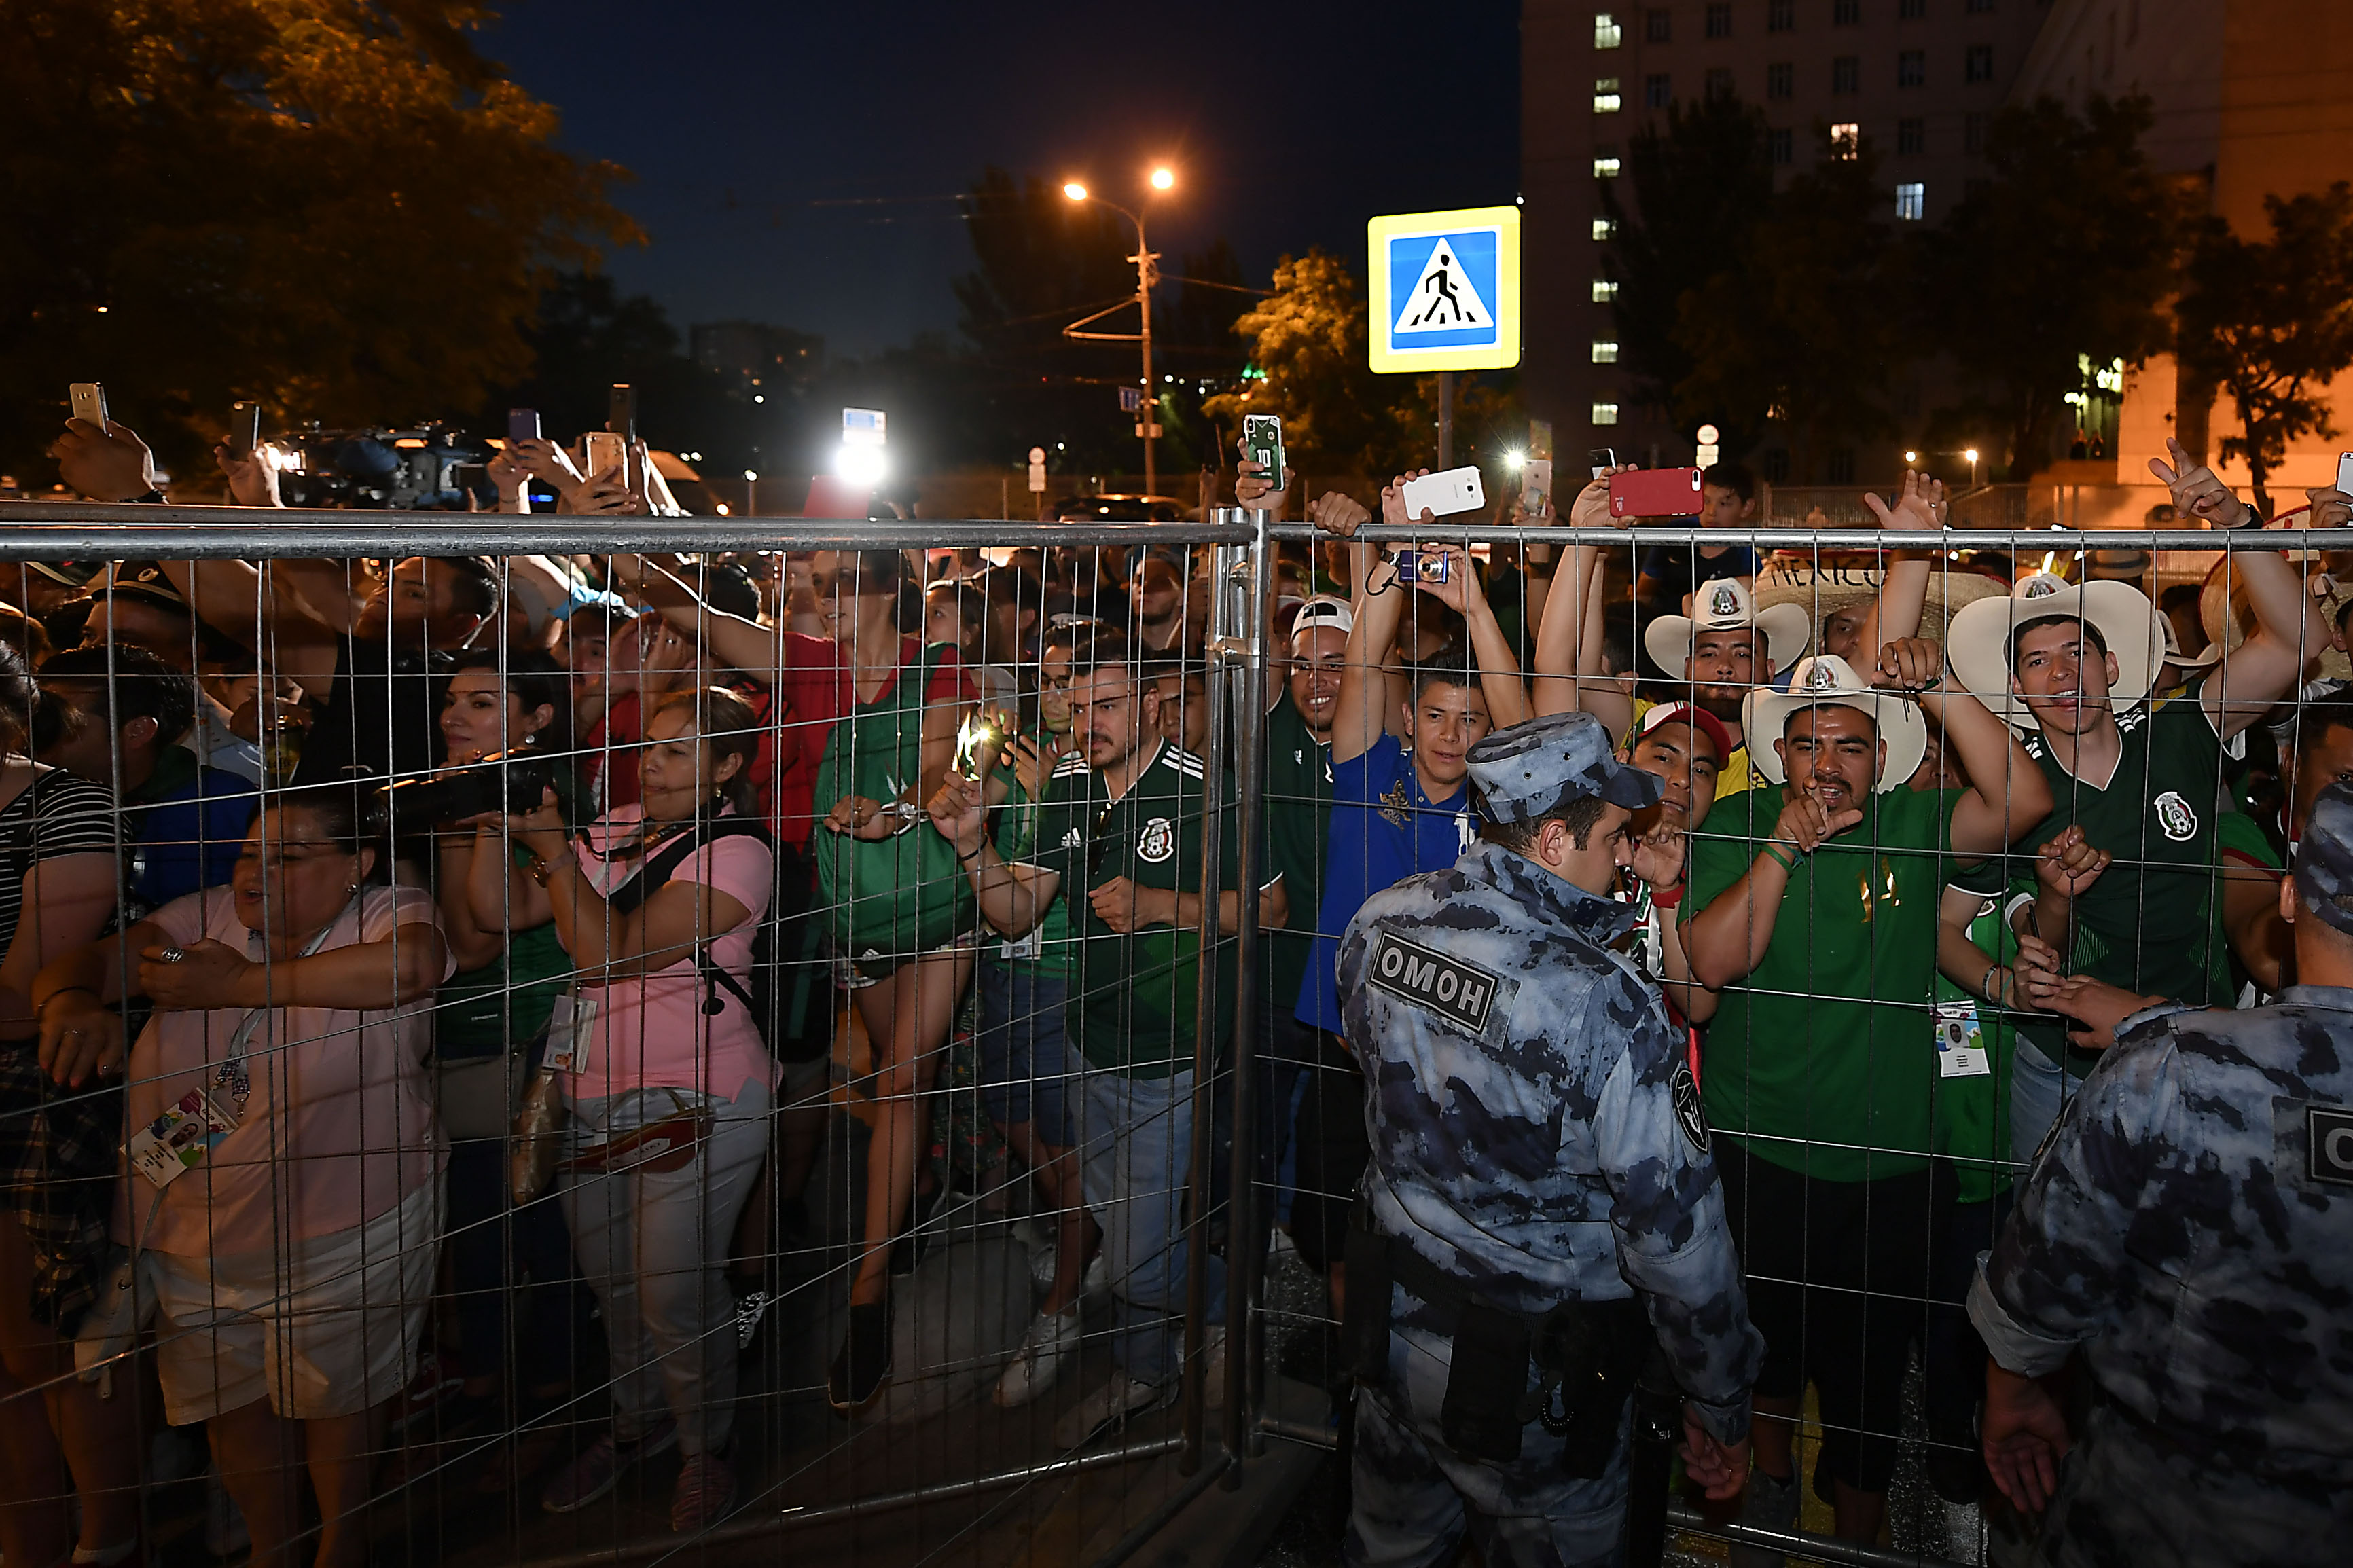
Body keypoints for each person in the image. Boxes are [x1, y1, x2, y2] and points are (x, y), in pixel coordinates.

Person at [1336, 709, 1762, 1566]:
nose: (1624, 851)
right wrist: (1719, 1398)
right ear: (1556, 839)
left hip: (1391, 1332)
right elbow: (1676, 1242)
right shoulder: (1605, 1003)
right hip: (1528, 1385)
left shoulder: (1382, 920)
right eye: (1612, 835)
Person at [1679, 645, 2049, 1548]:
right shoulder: (1733, 821)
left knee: (1868, 1380)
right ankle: (1770, 1489)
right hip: (1758, 1147)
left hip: (1891, 1165)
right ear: (1779, 755)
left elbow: (2025, 800)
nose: (1828, 764)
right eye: (1808, 744)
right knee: (1764, 1349)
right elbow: (1712, 965)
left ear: (1881, 757)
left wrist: (1937, 685)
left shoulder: (1913, 823)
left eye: (1850, 745)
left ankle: (1856, 1540)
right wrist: (1782, 845)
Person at [35, 784, 452, 1568]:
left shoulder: (386, 912)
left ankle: (342, 1546)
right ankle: (273, 1546)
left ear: (356, 864)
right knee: (227, 1400)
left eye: (287, 856)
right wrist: (71, 1000)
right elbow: (98, 961)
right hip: (193, 1223)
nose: (255, 874)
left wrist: (231, 985)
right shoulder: (202, 920)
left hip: (348, 1218)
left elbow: (411, 966)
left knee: (339, 1397)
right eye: (248, 854)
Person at [1966, 779, 2353, 1568]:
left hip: (2163, 1512)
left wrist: (2011, 1392)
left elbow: (2045, 1273)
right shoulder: (2174, 1056)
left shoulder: (2172, 1073)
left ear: (2287, 896)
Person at [927, 632, 1285, 1447]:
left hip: (1168, 1054)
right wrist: (974, 846)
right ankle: (1147, 1368)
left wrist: (1162, 905)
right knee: (1124, 1225)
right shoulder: (1068, 787)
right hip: (1086, 1044)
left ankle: (1229, 1303)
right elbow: (1017, 911)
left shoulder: (1207, 790)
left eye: (1110, 704)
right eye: (1078, 705)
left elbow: (1270, 909)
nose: (1090, 722)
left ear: (1152, 704)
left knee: (1131, 1259)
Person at [1943, 439, 2327, 1159]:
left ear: (2111, 664)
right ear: (2017, 689)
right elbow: (1944, 924)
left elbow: (2299, 641)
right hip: (2058, 1068)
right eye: (2036, 661)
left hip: (2195, 1049)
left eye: (2076, 652)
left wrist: (2234, 522)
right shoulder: (2012, 788)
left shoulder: (2180, 730)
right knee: (2044, 1225)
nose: (2061, 673)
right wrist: (2002, 984)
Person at [486, 687, 774, 1531]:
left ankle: (704, 1446)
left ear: (727, 765)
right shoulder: (612, 826)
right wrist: (486, 822)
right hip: (589, 1093)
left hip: (699, 1095)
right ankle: (636, 1423)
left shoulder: (738, 851)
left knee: (672, 1290)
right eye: (649, 745)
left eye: (678, 749)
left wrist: (552, 850)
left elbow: (608, 953)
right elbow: (494, 915)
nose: (650, 763)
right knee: (615, 1287)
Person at [812, 548, 978, 1414]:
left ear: (884, 588)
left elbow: (940, 762)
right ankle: (913, 1186)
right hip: (857, 907)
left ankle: (867, 1291)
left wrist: (896, 813)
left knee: (903, 1078)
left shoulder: (939, 665)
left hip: (937, 895)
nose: (824, 599)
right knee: (892, 1069)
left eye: (840, 582)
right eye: (815, 585)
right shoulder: (809, 668)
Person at [420, 650, 580, 1478]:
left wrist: (466, 819)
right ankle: (482, 1380)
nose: (455, 715)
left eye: (482, 702)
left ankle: (557, 1391)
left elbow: (474, 939)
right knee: (473, 1219)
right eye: (452, 699)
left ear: (537, 717)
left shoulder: (547, 803)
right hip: (458, 1035)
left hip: (532, 1037)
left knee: (538, 1217)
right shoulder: (445, 788)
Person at [0, 645, 137, 1568]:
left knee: (46, 1345)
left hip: (39, 1091)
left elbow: (26, 999)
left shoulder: (65, 808)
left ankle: (108, 1537)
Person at [35, 644, 251, 907]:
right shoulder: (30, 794)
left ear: (137, 730)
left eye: (61, 720)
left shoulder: (222, 806)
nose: (37, 731)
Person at [1636, 461, 1764, 615]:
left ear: (1746, 508)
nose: (1711, 512)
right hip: (1662, 623)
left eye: (1724, 504)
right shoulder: (1674, 535)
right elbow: (1644, 594)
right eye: (1706, 501)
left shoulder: (1747, 559)